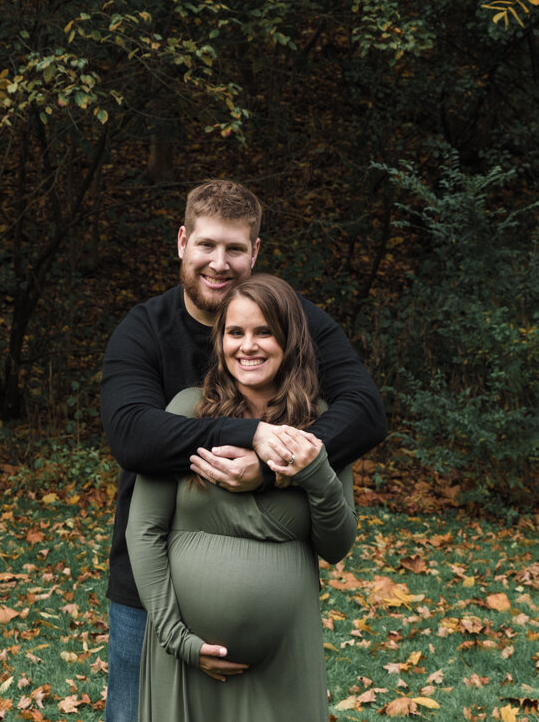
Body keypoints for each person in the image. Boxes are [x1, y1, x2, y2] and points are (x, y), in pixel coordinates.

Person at [100, 179, 386, 722]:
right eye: (206, 245)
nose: (218, 262)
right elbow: (133, 435)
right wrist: (247, 433)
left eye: (235, 248)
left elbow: (366, 411)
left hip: (279, 616)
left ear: (255, 252)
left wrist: (278, 467)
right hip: (151, 589)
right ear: (182, 241)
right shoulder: (145, 329)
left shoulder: (292, 320)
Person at [125, 274, 356, 721]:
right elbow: (145, 529)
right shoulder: (187, 413)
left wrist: (313, 471)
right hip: (185, 659)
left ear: (290, 340)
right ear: (220, 340)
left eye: (264, 331)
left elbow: (337, 545)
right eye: (235, 332)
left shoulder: (319, 424)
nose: (247, 346)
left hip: (284, 661)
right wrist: (177, 638)